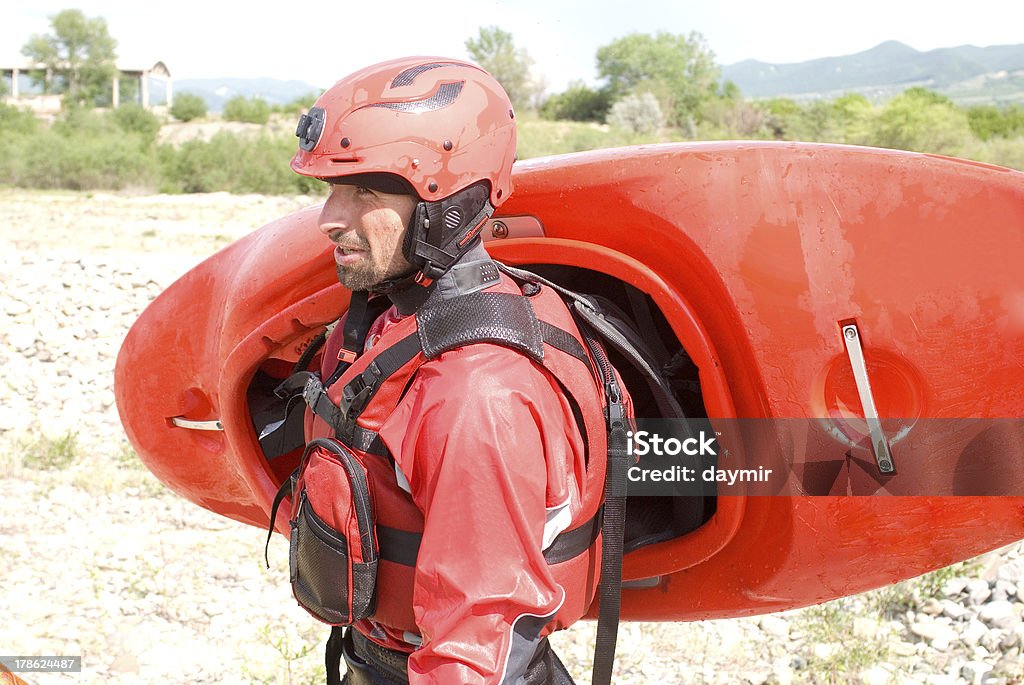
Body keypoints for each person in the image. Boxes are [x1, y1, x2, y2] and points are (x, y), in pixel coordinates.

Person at [284, 56, 631, 685]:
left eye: (365, 189)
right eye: (331, 189)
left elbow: (478, 647)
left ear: (448, 201)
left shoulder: (477, 395)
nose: (329, 217)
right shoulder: (395, 316)